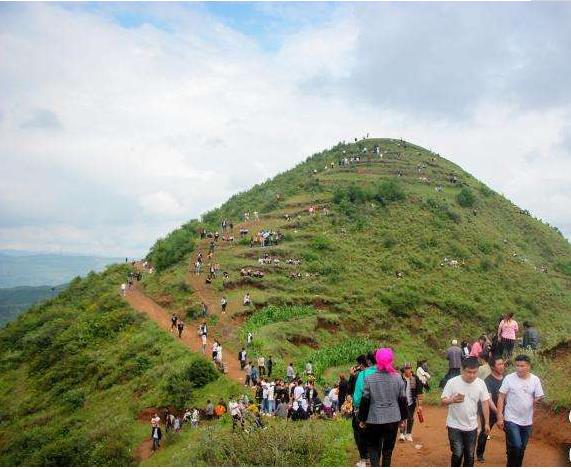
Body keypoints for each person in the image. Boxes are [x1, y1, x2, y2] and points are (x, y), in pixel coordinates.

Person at [357, 348, 406, 467]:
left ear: (377, 360)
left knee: (373, 447)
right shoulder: (398, 378)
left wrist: (362, 419)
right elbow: (402, 399)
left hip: (374, 419)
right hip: (392, 419)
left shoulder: (369, 379)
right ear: (391, 360)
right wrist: (403, 419)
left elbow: (365, 400)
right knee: (388, 451)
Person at [441, 357, 490, 467]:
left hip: (471, 426)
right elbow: (443, 401)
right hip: (454, 425)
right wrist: (452, 400)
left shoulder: (481, 383)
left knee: (470, 455)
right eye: (469, 372)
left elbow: (485, 403)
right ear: (462, 370)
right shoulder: (452, 383)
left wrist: (486, 423)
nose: (472, 375)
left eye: (475, 372)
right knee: (457, 453)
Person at [496, 355, 544, 467]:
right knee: (517, 445)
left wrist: (538, 400)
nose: (519, 368)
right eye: (517, 365)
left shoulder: (535, 380)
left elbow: (539, 397)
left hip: (527, 420)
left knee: (521, 448)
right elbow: (501, 397)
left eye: (522, 366)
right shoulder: (509, 378)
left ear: (529, 366)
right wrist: (499, 416)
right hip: (511, 418)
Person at [476, 356, 505, 462]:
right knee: (485, 430)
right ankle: (479, 454)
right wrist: (498, 413)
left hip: (504, 411)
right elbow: (489, 400)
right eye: (499, 364)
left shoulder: (506, 379)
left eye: (502, 364)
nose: (502, 366)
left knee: (510, 432)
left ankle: (511, 453)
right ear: (493, 367)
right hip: (489, 410)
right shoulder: (488, 381)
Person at [349, 354, 370, 467]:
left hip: (360, 409)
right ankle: (371, 457)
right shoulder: (376, 373)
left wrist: (352, 376)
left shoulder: (359, 375)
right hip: (374, 410)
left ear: (361, 364)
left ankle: (364, 458)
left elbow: (353, 393)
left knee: (359, 433)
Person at [399, 363, 424, 443]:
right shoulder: (400, 378)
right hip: (401, 402)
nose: (407, 370)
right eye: (406, 368)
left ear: (411, 369)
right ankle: (402, 433)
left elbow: (419, 392)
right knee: (402, 418)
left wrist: (420, 405)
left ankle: (408, 433)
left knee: (410, 418)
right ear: (404, 369)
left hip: (411, 402)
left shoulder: (415, 378)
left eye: (409, 368)